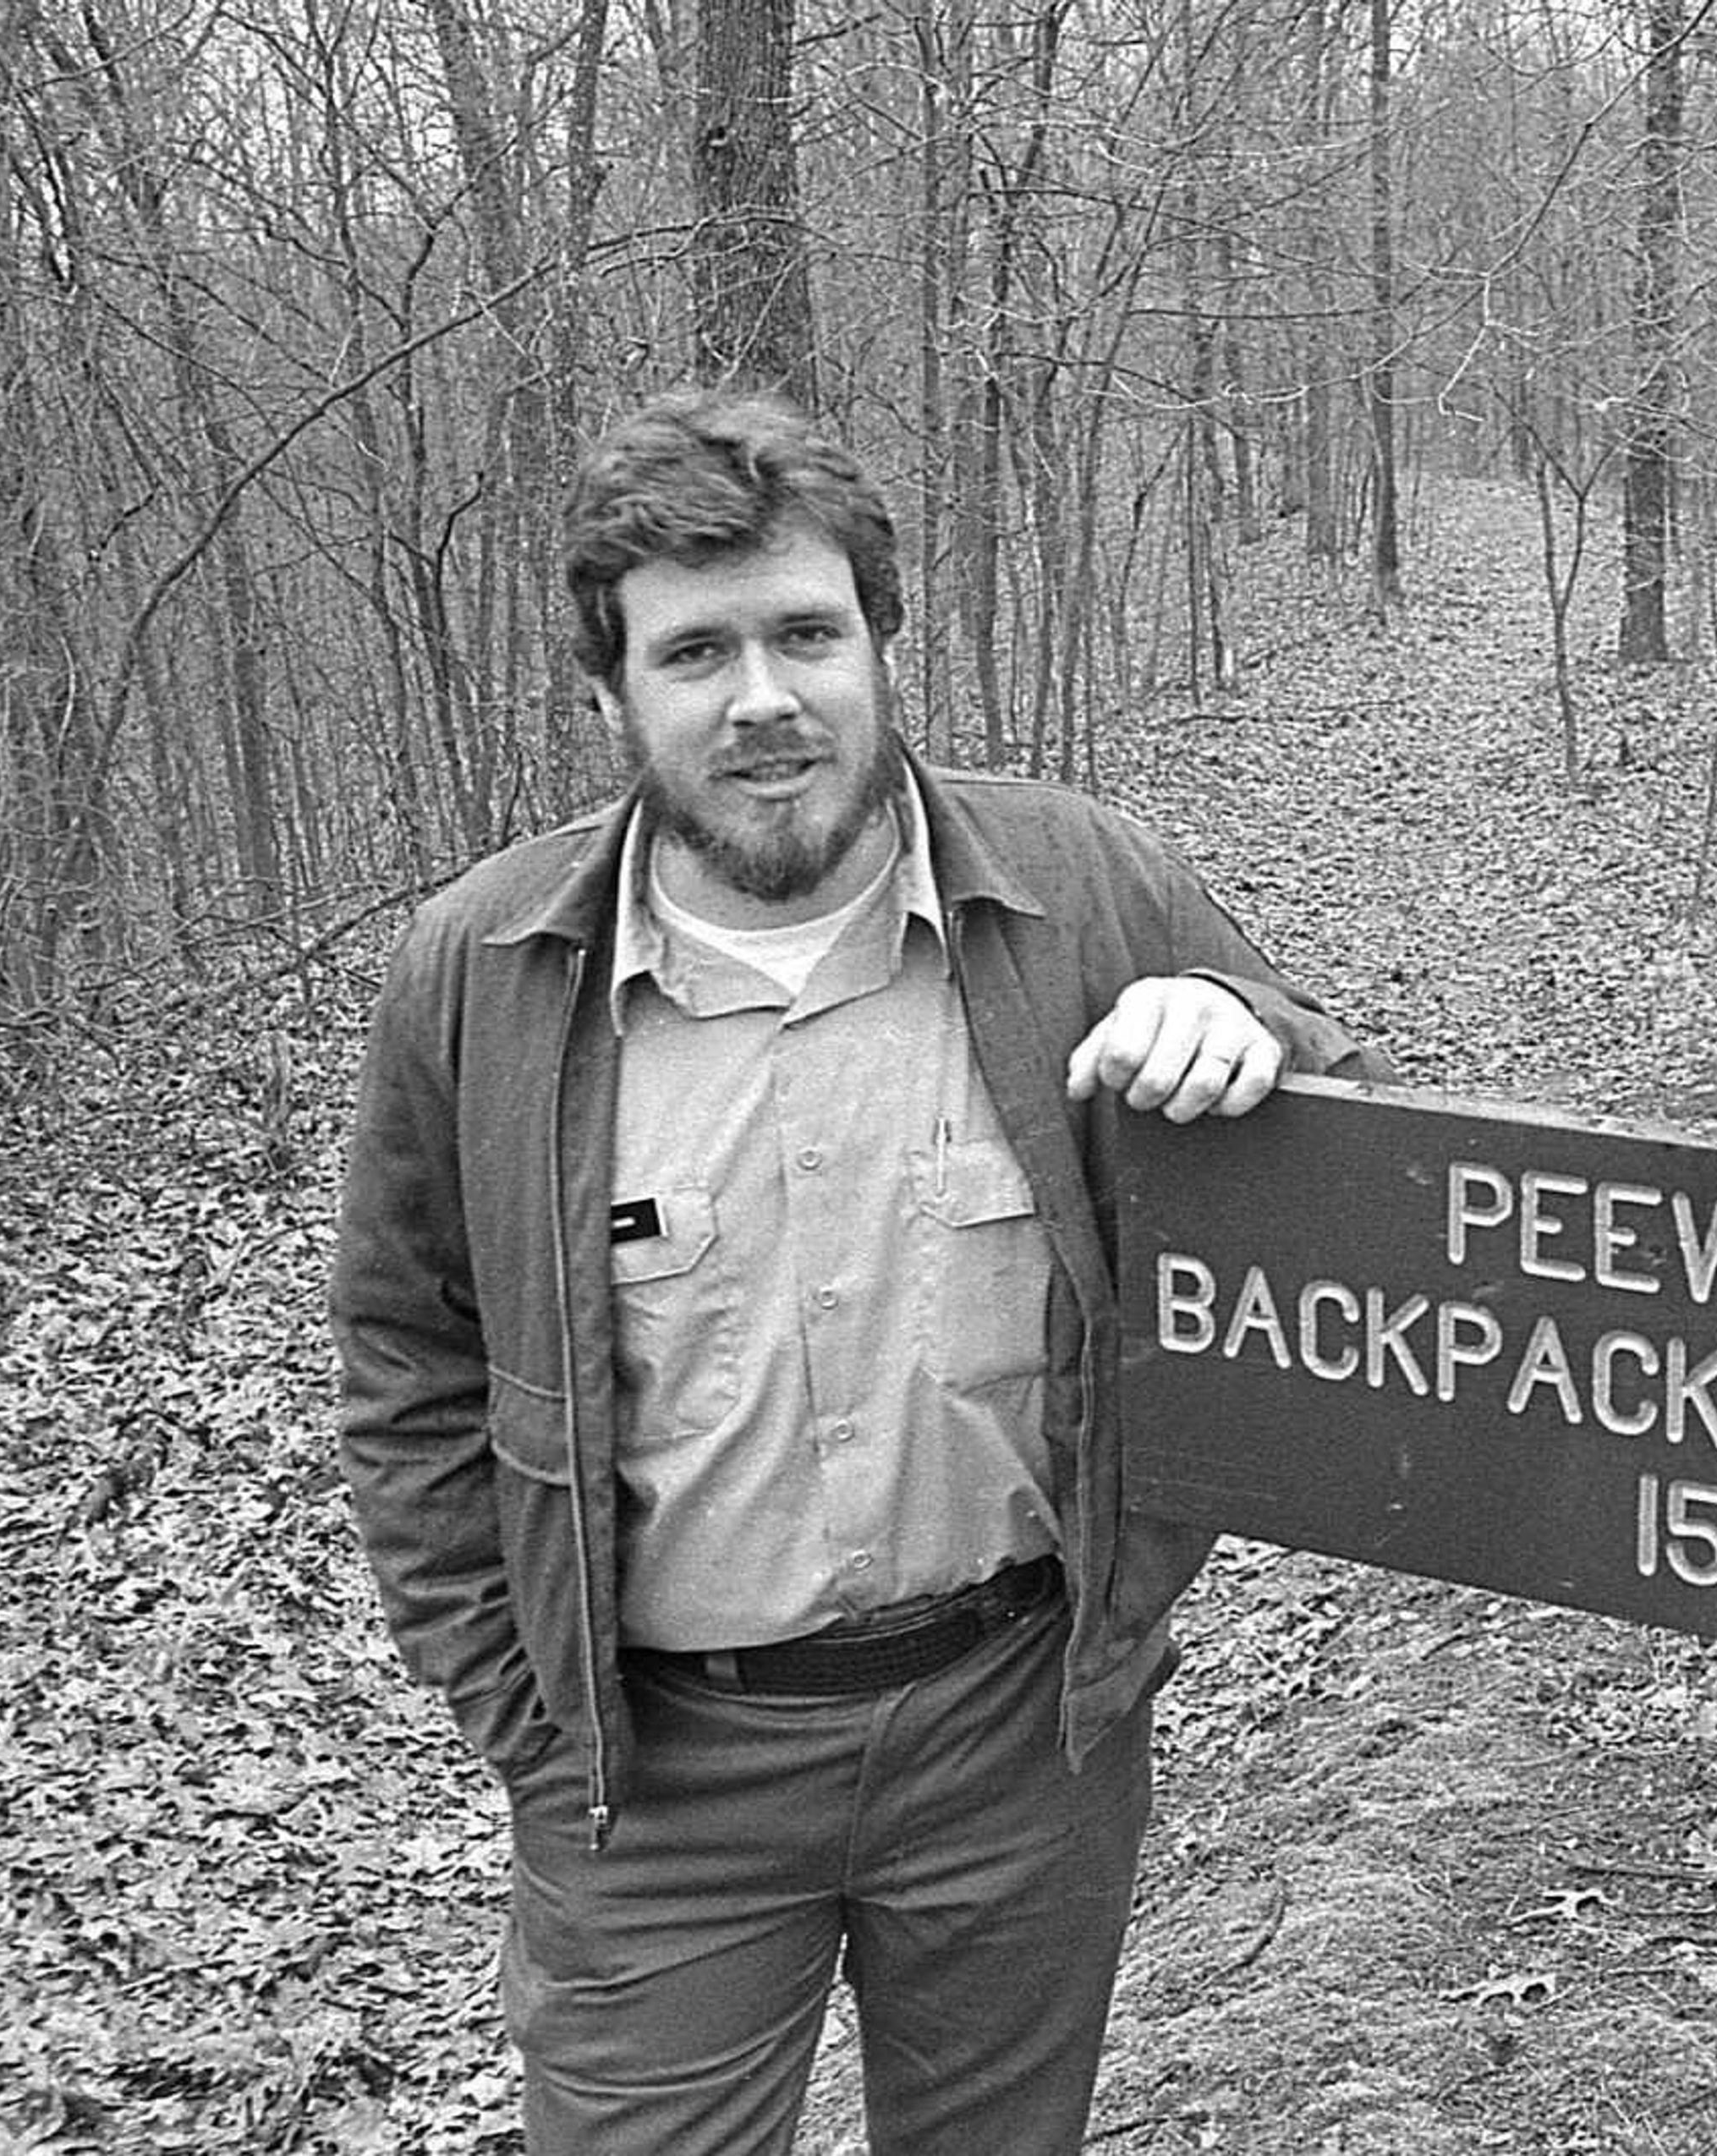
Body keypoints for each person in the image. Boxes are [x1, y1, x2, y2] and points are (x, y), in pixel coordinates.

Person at [331, 387, 1380, 2155]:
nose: (763, 698)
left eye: (809, 633)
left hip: (1015, 1729)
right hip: (655, 1776)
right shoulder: (482, 971)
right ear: (611, 698)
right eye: (697, 653)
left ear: (884, 648)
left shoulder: (1079, 885)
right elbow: (409, 1351)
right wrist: (519, 1708)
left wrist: (1243, 1020)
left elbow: (1334, 1129)